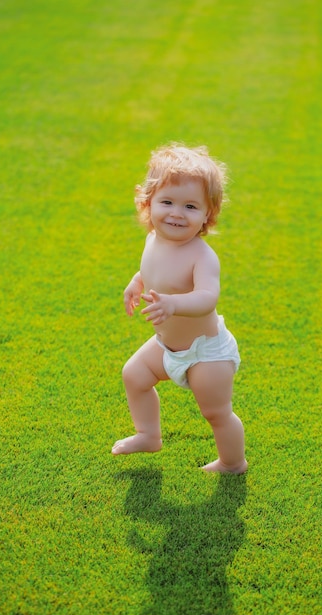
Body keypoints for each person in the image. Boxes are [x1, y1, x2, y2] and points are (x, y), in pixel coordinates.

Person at [112, 143, 247, 474]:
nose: (176, 213)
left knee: (216, 412)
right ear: (148, 203)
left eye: (190, 206)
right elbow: (153, 269)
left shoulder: (202, 256)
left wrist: (173, 303)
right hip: (167, 345)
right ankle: (148, 434)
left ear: (207, 216)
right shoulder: (153, 240)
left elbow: (207, 297)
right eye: (167, 202)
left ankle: (233, 462)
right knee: (134, 375)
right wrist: (137, 283)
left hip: (206, 352)